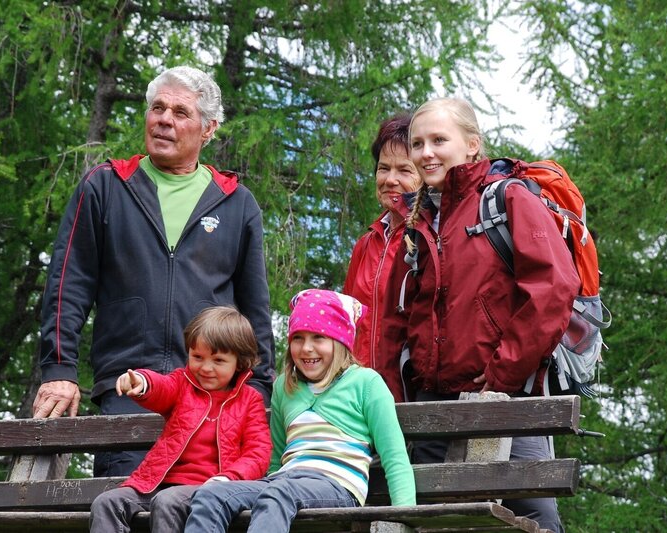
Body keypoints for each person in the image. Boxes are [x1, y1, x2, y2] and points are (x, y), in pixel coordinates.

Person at [33, 65, 275, 478]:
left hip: (213, 399)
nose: (164, 119)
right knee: (127, 512)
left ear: (208, 129)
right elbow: (67, 285)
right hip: (128, 390)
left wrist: (256, 388)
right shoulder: (105, 186)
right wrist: (59, 370)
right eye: (157, 108)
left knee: (207, 516)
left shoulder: (236, 203)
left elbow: (255, 309)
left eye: (180, 112)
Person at [378, 97, 580, 532]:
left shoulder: (506, 200)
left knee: (534, 520)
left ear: (472, 145)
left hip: (507, 399)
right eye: (417, 143)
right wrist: (392, 400)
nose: (425, 152)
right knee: (431, 522)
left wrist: (503, 373)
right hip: (430, 406)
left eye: (438, 140)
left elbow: (555, 287)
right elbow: (396, 325)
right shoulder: (417, 222)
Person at [183, 289, 416, 533]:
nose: (306, 348)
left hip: (337, 486)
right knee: (211, 494)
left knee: (278, 493)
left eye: (318, 337)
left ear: (340, 341)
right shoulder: (285, 386)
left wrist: (404, 517)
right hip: (283, 482)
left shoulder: (366, 383)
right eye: (298, 338)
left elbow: (394, 457)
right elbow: (276, 459)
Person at [89, 306, 271, 533]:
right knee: (106, 503)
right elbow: (162, 388)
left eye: (218, 360)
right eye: (197, 357)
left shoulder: (250, 400)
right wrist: (143, 382)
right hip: (158, 483)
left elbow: (258, 452)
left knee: (168, 501)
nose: (205, 368)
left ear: (240, 363)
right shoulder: (182, 383)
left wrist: (229, 477)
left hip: (209, 489)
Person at [343, 113, 421, 374]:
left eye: (404, 169)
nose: (390, 179)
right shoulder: (366, 243)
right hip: (360, 390)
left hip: (410, 390)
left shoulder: (431, 236)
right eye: (384, 168)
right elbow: (348, 322)